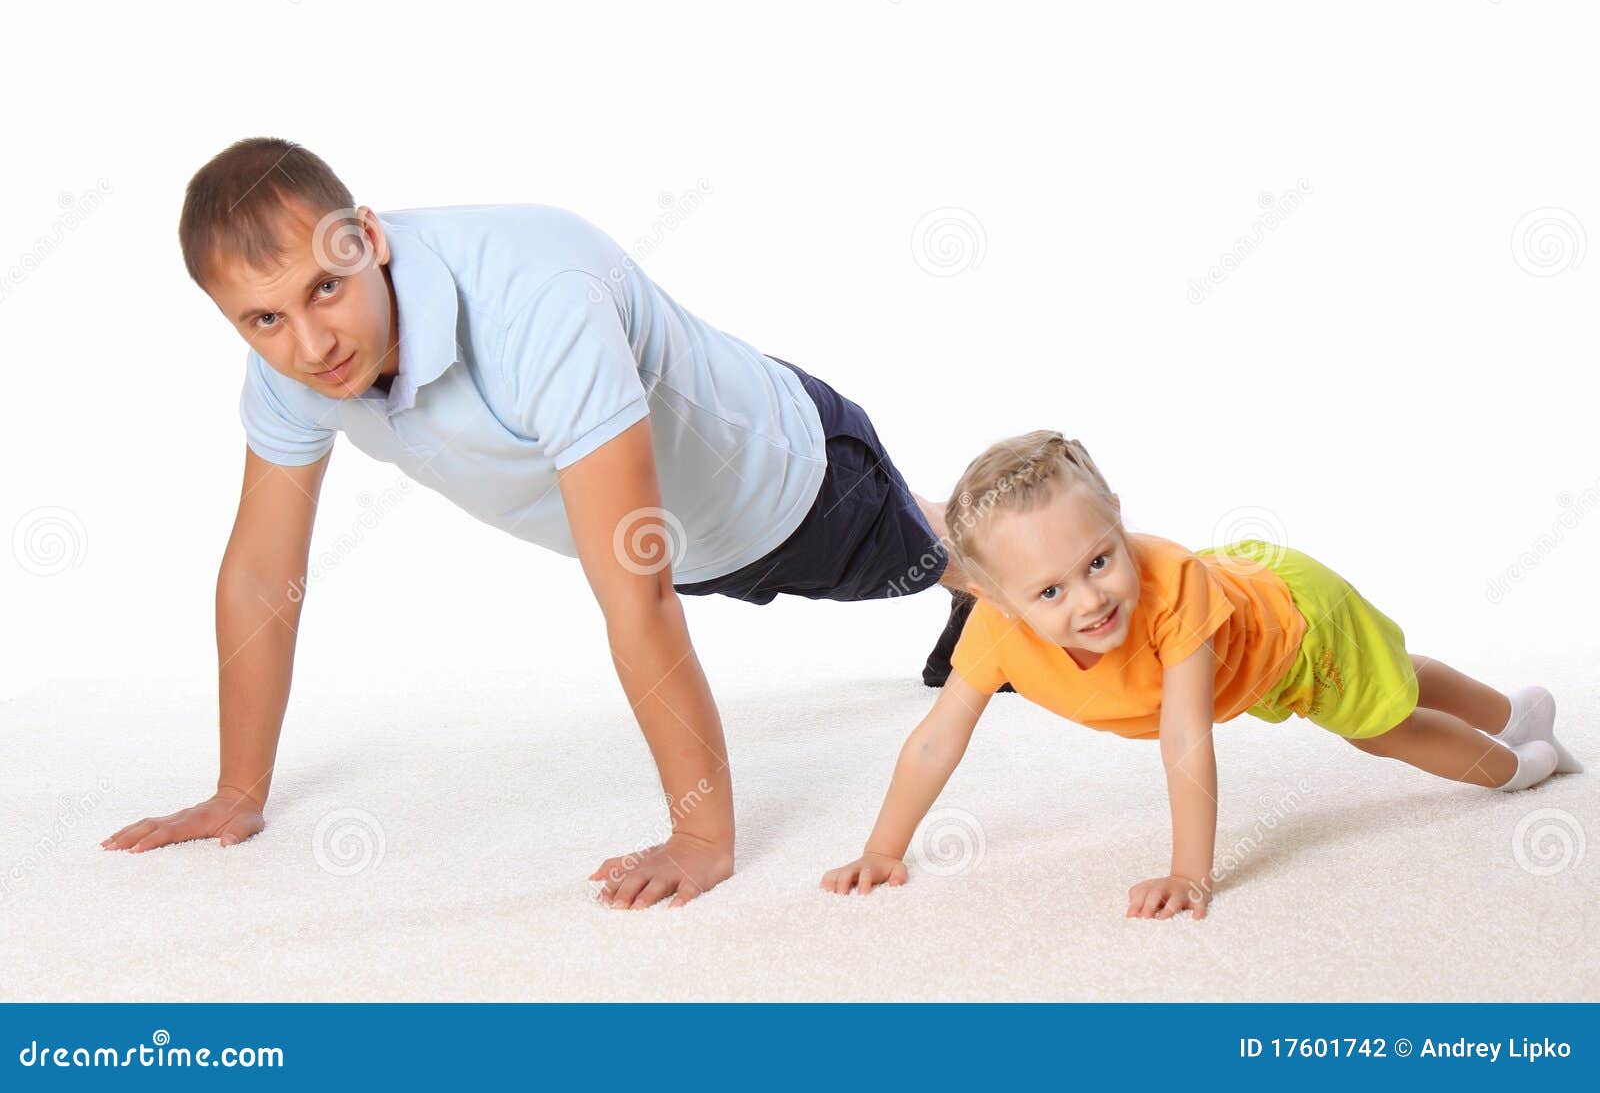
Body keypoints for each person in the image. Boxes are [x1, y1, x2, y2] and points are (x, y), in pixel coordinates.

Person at [99, 136, 971, 909]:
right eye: (265, 320)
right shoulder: (290, 368)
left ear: (367, 235)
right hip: (684, 544)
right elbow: (260, 573)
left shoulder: (536, 298)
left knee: (940, 556)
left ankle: (1015, 546)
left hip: (790, 484)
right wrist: (237, 789)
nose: (311, 344)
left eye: (326, 289)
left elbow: (634, 584)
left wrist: (701, 837)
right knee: (930, 545)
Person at [821, 430, 1582, 918]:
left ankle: (1521, 764)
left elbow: (1186, 737)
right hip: (1256, 643)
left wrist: (1191, 873)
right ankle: (1515, 709)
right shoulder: (994, 631)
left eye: (1099, 561)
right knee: (1395, 673)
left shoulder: (1171, 588)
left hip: (1298, 629)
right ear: (990, 596)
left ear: (1118, 517)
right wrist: (885, 848)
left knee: (1383, 724)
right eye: (1050, 591)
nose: (1089, 600)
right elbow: (936, 740)